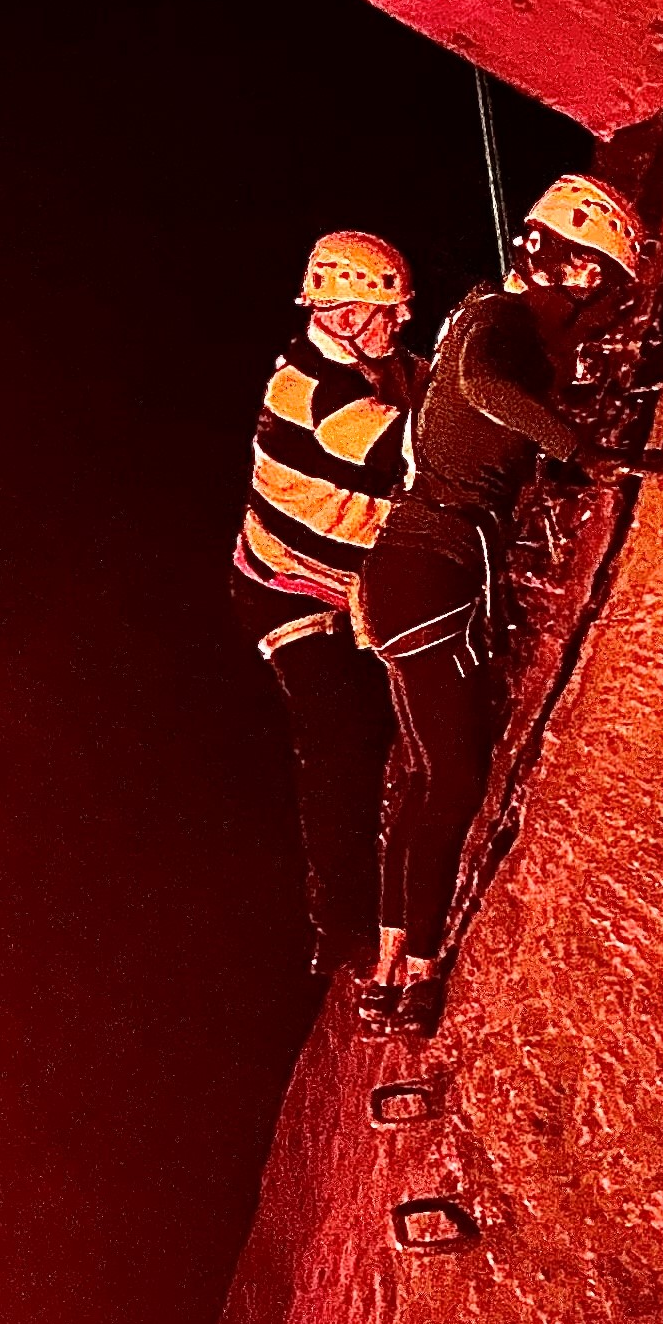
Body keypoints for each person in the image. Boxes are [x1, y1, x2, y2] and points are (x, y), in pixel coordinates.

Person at [356, 172, 646, 1035]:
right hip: (430, 575)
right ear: (575, 268)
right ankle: (422, 969)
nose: (596, 307)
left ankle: (386, 965)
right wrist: (577, 445)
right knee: (454, 776)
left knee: (422, 774)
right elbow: (486, 392)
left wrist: (563, 437)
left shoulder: (485, 315)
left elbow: (484, 419)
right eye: (598, 283)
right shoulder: (501, 324)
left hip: (411, 574)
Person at [232, 230, 425, 980]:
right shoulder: (314, 393)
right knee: (339, 744)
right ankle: (337, 917)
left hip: (347, 575)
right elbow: (414, 451)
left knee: (387, 716)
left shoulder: (379, 363)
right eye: (388, 313)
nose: (400, 322)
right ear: (344, 317)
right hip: (288, 589)